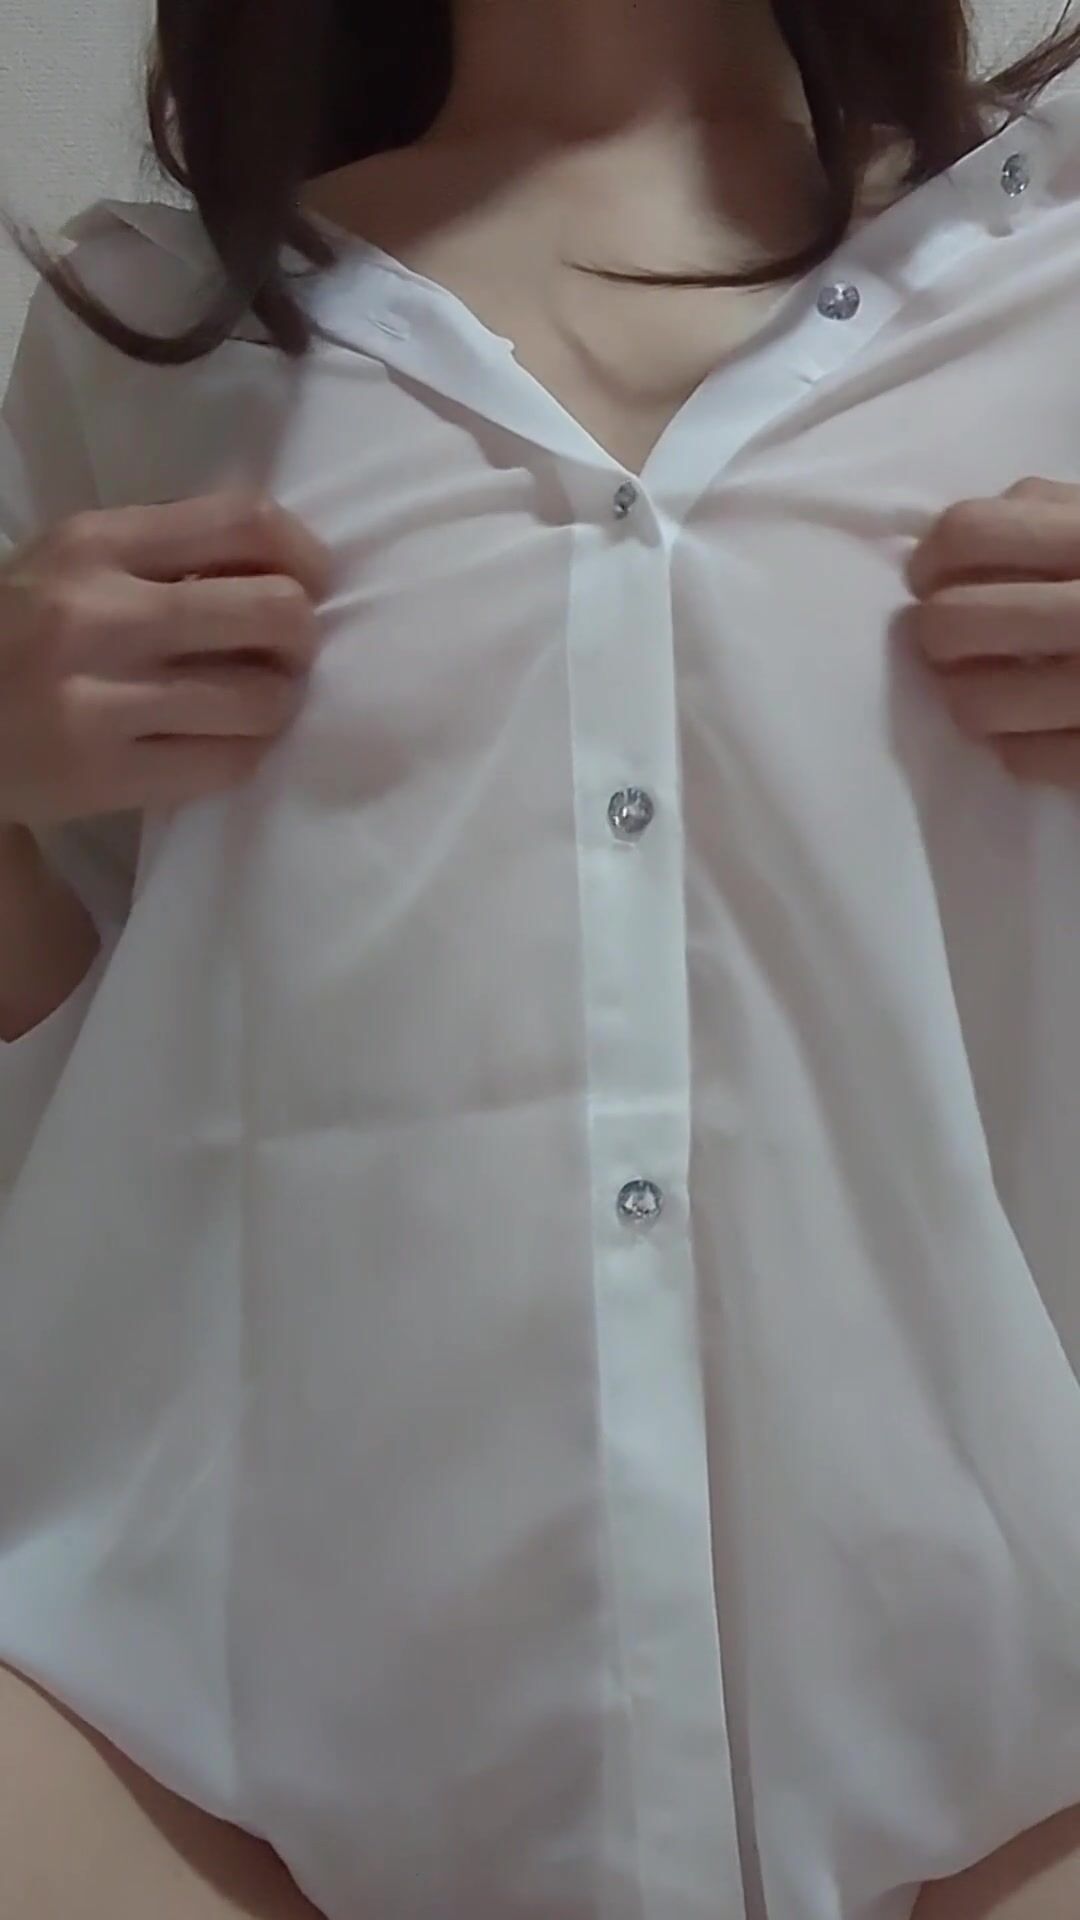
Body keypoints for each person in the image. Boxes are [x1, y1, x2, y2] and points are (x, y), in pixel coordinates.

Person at [4, 0, 1080, 1915]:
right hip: (187, 1752)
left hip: (1022, 1751)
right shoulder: (148, 334)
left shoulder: (1050, 281)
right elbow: (62, 1057)